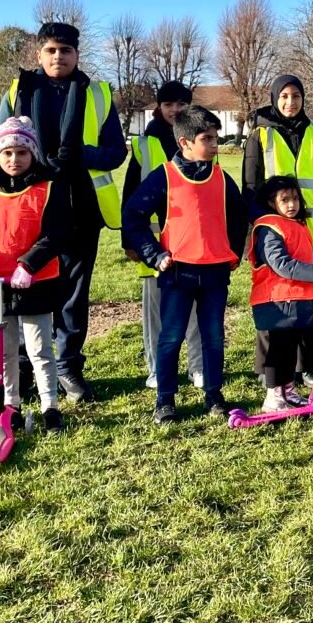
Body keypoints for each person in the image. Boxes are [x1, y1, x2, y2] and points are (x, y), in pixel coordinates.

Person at [0, 21, 126, 403]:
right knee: (26, 288)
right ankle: (25, 369)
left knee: (73, 294)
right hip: (28, 210)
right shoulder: (19, 90)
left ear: (76, 55)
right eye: (51, 50)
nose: (58, 57)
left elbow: (116, 152)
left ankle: (68, 366)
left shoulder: (98, 93)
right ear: (39, 54)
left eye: (65, 51)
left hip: (81, 206)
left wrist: (82, 155)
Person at [122, 106, 248, 424]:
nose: (215, 145)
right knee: (171, 337)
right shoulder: (163, 176)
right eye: (208, 139)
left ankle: (214, 394)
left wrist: (234, 252)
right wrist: (154, 255)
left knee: (213, 336)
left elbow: (239, 216)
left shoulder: (221, 177)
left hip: (215, 273)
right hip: (177, 273)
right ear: (185, 142)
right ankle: (165, 400)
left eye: (216, 138)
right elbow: (133, 215)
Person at [0, 117, 70, 434]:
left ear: (33, 153)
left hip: (35, 282)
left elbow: (57, 233)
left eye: (22, 152)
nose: (14, 159)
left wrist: (29, 264)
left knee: (39, 349)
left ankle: (50, 406)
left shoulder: (48, 188)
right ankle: (11, 405)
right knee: (4, 352)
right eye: (7, 153)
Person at [242, 74, 313, 389]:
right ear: (275, 99)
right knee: (273, 300)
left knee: (307, 301)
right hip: (274, 234)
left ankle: (306, 367)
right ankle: (268, 367)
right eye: (284, 96)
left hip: (310, 231)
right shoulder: (260, 134)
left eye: (296, 96)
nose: (290, 102)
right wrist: (259, 230)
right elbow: (250, 187)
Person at [122, 80, 204, 391]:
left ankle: (198, 367)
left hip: (194, 244)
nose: (175, 110)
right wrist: (130, 242)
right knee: (155, 313)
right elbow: (130, 195)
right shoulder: (145, 144)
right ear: (159, 107)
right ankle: (158, 369)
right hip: (154, 245)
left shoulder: (200, 139)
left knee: (195, 309)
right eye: (168, 104)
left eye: (181, 104)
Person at [248, 175, 313, 412]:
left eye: (295, 198)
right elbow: (281, 264)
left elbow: (307, 256)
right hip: (276, 299)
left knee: (290, 348)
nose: (292, 204)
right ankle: (273, 396)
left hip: (298, 298)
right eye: (284, 200)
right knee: (278, 349)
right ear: (271, 202)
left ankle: (288, 390)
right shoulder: (269, 228)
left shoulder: (298, 225)